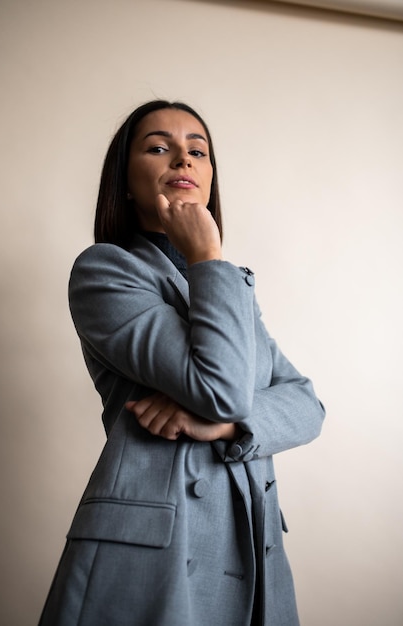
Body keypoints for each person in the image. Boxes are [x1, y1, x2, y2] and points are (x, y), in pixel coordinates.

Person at [39, 100, 325, 626]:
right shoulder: (105, 271)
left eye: (198, 150)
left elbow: (307, 403)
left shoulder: (228, 283)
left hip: (248, 540)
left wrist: (225, 425)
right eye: (158, 147)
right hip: (159, 550)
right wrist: (205, 258)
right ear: (125, 181)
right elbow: (221, 387)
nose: (183, 161)